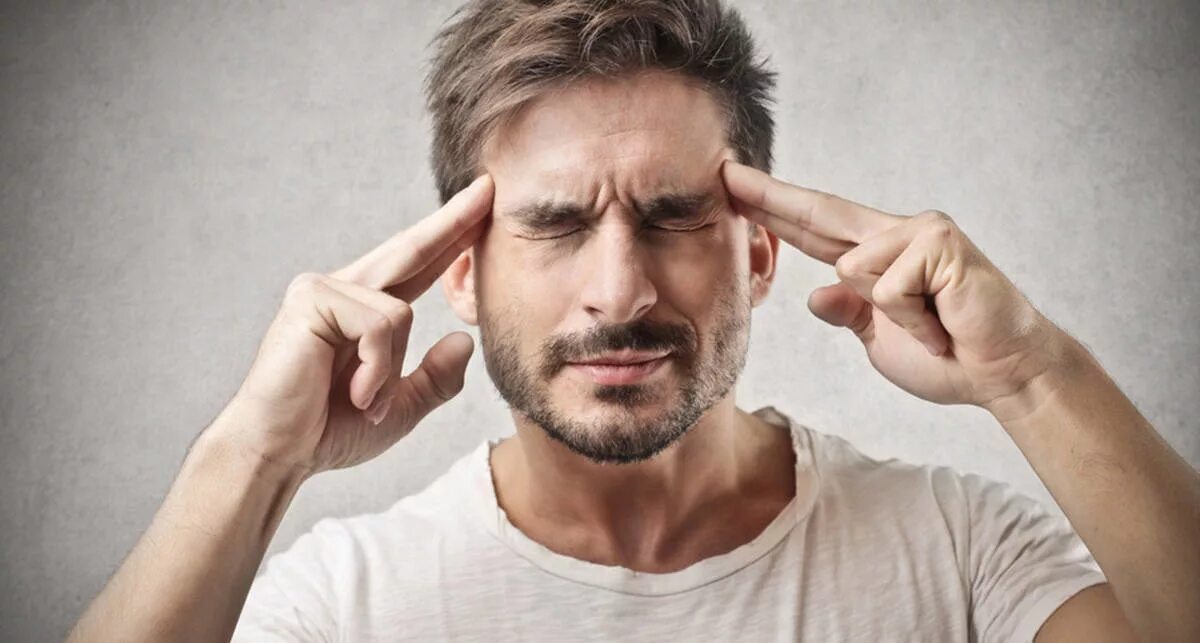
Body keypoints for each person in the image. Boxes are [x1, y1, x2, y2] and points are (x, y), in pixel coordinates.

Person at [68, 1, 1199, 641]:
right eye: (555, 225)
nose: (619, 291)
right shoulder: (343, 604)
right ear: (461, 271)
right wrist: (253, 458)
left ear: (758, 255)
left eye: (672, 215)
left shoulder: (958, 554)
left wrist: (1034, 375)